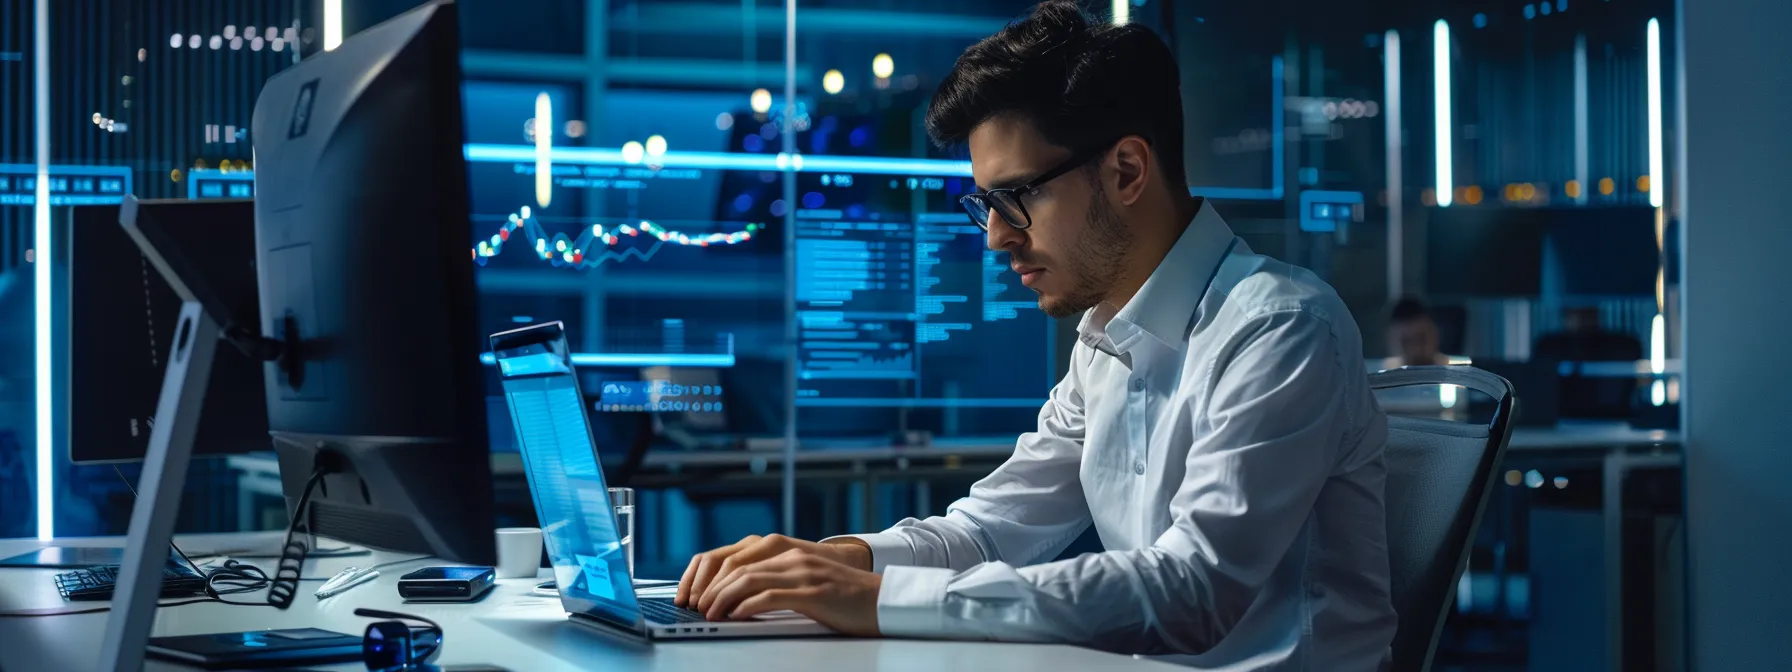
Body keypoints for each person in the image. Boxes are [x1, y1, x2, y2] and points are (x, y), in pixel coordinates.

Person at [673, 2, 1395, 668]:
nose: (994, 237)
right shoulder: (1106, 341)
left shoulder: (1278, 329)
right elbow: (987, 531)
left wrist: (876, 600)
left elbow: (1194, 591)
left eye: (1014, 198)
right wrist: (840, 560)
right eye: (984, 203)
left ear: (1126, 170)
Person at [1383, 295, 1452, 369]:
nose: (1415, 350)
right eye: (1406, 342)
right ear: (1390, 341)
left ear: (1436, 334)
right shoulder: (1376, 377)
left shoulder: (1460, 373)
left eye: (1421, 339)